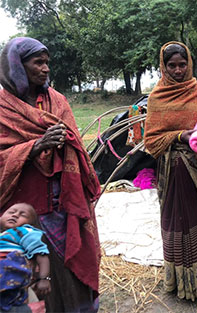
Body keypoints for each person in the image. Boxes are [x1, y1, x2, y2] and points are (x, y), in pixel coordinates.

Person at [0, 37, 101, 312]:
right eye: (38, 63)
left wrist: (65, 141)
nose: (45, 69)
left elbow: (77, 146)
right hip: (24, 208)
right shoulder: (2, 107)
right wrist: (34, 147)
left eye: (47, 63)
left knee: (74, 263)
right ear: (16, 67)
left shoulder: (56, 101)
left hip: (63, 203)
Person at [143, 42, 197, 301]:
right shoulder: (156, 97)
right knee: (176, 221)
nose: (178, 70)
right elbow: (151, 140)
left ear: (189, 64)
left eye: (182, 65)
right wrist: (181, 135)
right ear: (163, 66)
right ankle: (180, 281)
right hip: (172, 172)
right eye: (172, 65)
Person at [0, 203, 51, 312]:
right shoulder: (3, 235)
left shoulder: (25, 232)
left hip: (11, 276)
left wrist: (44, 278)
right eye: (11, 212)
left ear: (30, 224)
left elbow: (41, 255)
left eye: (23, 215)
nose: (15, 215)